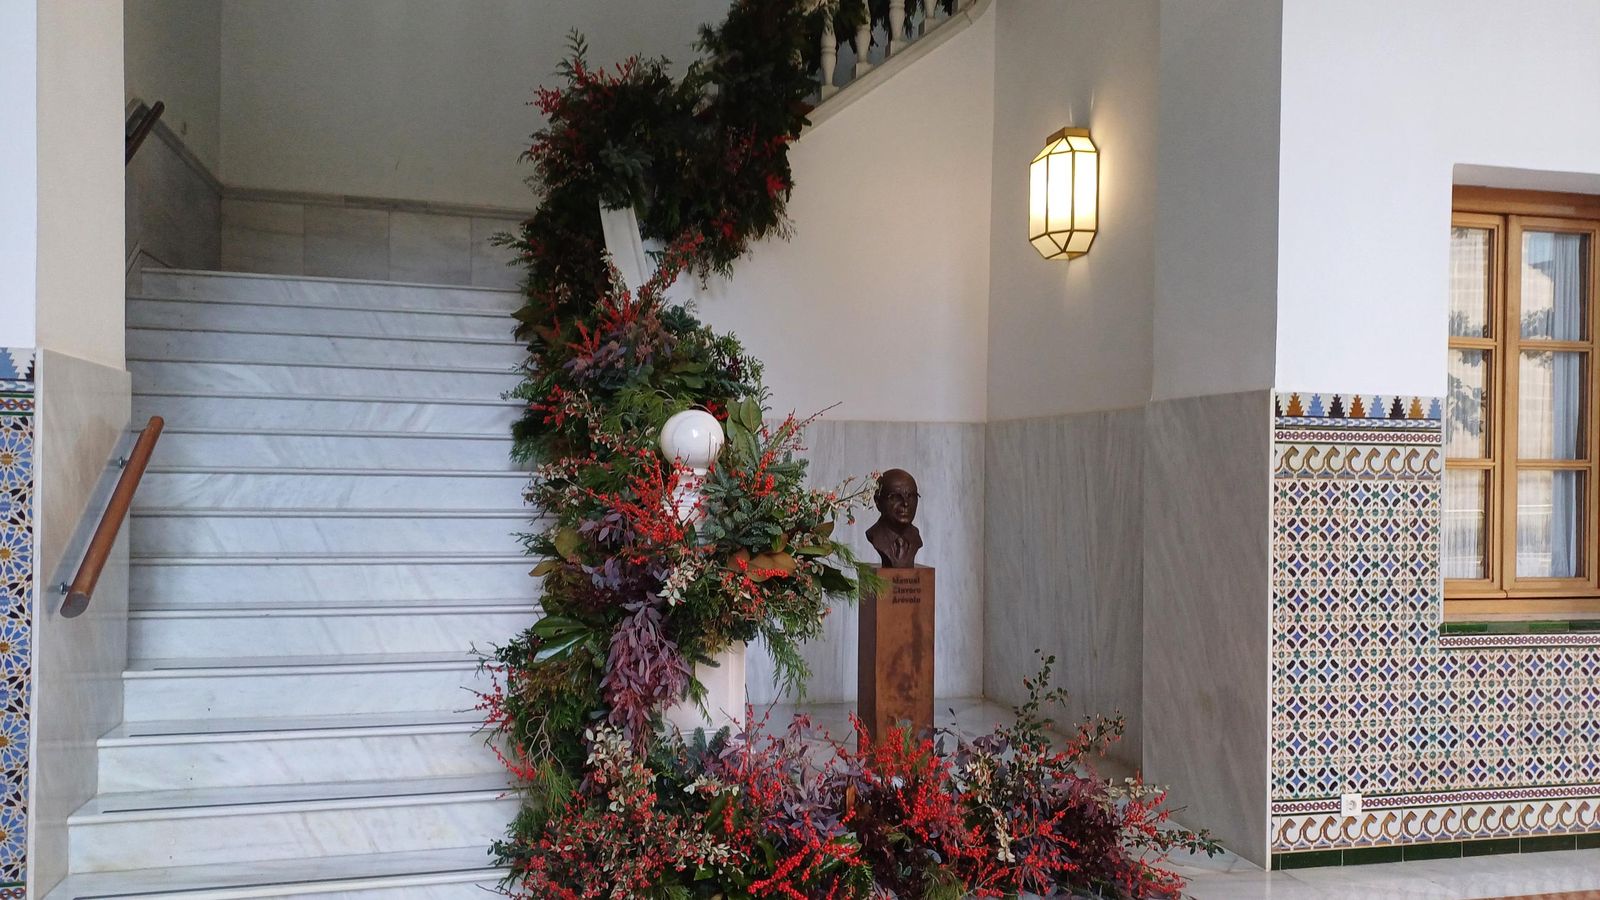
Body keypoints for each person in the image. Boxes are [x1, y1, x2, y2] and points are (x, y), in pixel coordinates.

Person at [865, 468, 922, 568]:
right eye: (895, 497)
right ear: (878, 502)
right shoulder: (875, 535)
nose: (905, 503)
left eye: (911, 496)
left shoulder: (915, 538)